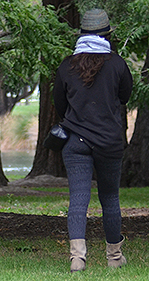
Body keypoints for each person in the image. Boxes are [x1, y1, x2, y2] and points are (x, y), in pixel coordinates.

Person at [53, 9, 133, 273]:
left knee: (78, 198)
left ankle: (77, 258)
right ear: (107, 34)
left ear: (82, 34)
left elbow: (60, 106)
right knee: (110, 198)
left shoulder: (67, 66)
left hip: (74, 141)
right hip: (109, 141)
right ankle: (114, 257)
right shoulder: (118, 64)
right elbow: (125, 97)